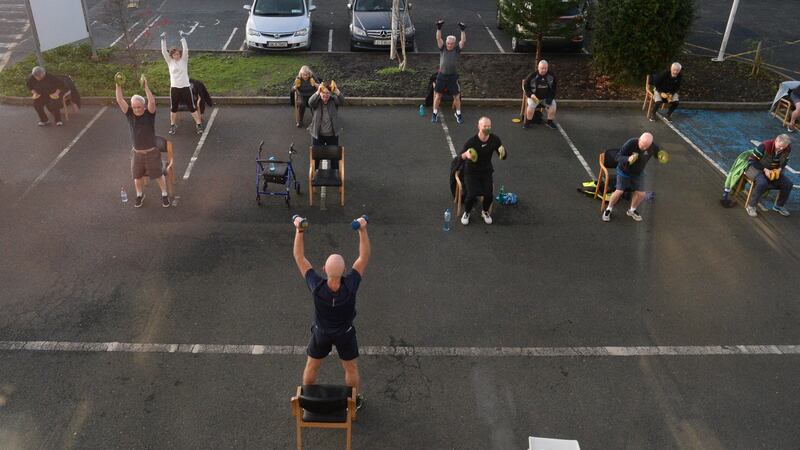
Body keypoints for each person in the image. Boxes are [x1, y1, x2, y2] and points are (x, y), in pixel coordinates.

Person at [293, 215, 370, 411]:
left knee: (312, 366)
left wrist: (299, 231)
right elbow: (363, 257)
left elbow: (299, 257)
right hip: (344, 333)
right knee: (350, 368)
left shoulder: (316, 287)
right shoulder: (351, 286)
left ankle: (307, 400)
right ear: (345, 271)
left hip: (321, 333)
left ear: (324, 270)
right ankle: (353, 402)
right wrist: (362, 230)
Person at [115, 75, 171, 208]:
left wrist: (146, 87)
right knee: (137, 176)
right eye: (134, 107)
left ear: (143, 106)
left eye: (139, 107)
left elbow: (152, 102)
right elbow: (119, 99)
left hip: (152, 152)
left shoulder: (149, 114)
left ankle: (164, 194)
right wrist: (118, 85)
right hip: (137, 153)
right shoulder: (129, 114)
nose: (136, 109)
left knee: (158, 175)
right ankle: (139, 195)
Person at [602, 132, 659, 222]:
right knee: (619, 191)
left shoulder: (653, 146)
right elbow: (617, 157)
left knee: (641, 194)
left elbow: (658, 154)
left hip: (638, 173)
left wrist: (661, 156)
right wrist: (627, 159)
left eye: (646, 146)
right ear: (639, 140)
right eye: (642, 145)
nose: (644, 148)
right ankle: (608, 209)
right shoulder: (630, 143)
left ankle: (631, 210)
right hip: (624, 171)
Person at [460, 117, 507, 225]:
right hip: (471, 172)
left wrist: (503, 153)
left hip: (486, 171)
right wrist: (466, 155)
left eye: (489, 126)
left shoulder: (494, 139)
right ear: (479, 126)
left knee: (489, 194)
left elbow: (503, 156)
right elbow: (460, 156)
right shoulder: (471, 142)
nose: (487, 128)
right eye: (485, 126)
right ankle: (467, 212)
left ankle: (485, 211)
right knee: (471, 194)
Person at [161, 32, 204, 135]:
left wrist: (183, 38)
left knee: (192, 107)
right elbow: (163, 52)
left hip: (185, 87)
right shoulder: (170, 62)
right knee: (173, 108)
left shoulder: (184, 60)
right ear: (171, 55)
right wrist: (163, 40)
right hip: (174, 88)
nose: (178, 55)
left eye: (178, 54)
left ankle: (198, 124)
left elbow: (186, 50)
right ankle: (172, 125)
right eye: (175, 54)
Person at [744, 134, 793, 217]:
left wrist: (780, 168)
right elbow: (751, 161)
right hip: (756, 169)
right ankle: (751, 206)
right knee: (763, 183)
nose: (781, 149)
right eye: (780, 146)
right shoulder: (765, 146)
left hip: (773, 171)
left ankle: (779, 206)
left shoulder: (787, 148)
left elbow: (785, 161)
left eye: (783, 147)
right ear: (776, 141)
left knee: (788, 184)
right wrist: (765, 169)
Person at [432, 20, 466, 124]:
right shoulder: (442, 49)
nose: (449, 45)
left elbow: (463, 41)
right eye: (448, 43)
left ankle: (458, 114)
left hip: (452, 77)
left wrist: (462, 30)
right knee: (438, 96)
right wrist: (439, 28)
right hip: (441, 76)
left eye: (451, 44)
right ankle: (434, 113)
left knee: (456, 96)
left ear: (454, 44)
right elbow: (438, 38)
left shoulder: (456, 50)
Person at [523, 60, 558, 129]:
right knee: (531, 106)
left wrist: (550, 97)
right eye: (542, 68)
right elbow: (525, 87)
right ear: (538, 68)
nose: (544, 70)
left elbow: (554, 88)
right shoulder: (532, 76)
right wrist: (531, 95)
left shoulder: (551, 76)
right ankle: (528, 122)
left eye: (546, 68)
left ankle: (549, 122)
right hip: (534, 97)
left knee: (553, 105)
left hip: (545, 98)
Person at [308, 81, 343, 147]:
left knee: (333, 153)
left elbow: (342, 101)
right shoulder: (317, 101)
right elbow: (310, 102)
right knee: (317, 154)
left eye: (327, 93)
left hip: (332, 134)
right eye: (323, 92)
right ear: (320, 93)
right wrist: (318, 91)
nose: (325, 95)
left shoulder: (333, 100)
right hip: (318, 134)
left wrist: (337, 92)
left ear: (330, 94)